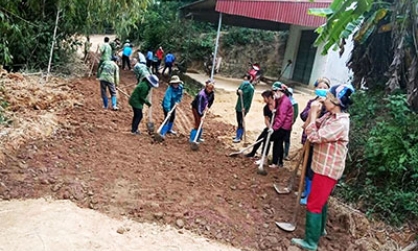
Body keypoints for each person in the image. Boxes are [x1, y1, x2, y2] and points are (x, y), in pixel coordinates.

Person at [290, 84, 354, 251]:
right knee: (321, 200)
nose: (324, 100)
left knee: (314, 203)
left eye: (327, 98)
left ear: (335, 101)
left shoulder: (340, 123)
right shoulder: (330, 117)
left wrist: (312, 113)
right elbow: (312, 126)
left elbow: (314, 136)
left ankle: (311, 242)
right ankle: (320, 230)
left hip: (328, 170)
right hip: (322, 167)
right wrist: (315, 115)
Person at [299, 77, 330, 205]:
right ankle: (305, 189)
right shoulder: (312, 101)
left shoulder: (329, 105)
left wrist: (321, 108)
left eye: (325, 87)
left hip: (317, 140)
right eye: (320, 87)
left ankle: (310, 194)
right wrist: (313, 109)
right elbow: (303, 115)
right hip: (307, 137)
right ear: (315, 89)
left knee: (312, 166)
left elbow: (325, 121)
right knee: (305, 165)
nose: (322, 90)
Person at [269, 81, 293, 168]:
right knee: (279, 143)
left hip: (283, 127)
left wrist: (274, 128)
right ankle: (279, 162)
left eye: (274, 92)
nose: (274, 94)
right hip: (283, 126)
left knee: (276, 143)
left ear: (279, 91)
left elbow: (281, 117)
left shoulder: (284, 102)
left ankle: (275, 162)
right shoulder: (281, 99)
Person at [245, 90, 275, 158]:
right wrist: (270, 128)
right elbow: (266, 119)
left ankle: (265, 157)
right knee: (260, 138)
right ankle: (253, 152)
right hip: (270, 127)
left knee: (267, 140)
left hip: (277, 127)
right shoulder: (266, 108)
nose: (264, 100)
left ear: (269, 97)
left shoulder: (278, 105)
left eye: (265, 98)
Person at [233, 75, 255, 143]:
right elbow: (237, 91)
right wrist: (238, 91)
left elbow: (249, 100)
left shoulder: (251, 89)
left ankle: (239, 137)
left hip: (243, 108)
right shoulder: (242, 84)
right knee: (238, 121)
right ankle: (238, 134)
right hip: (239, 106)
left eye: (246, 79)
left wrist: (245, 108)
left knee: (241, 122)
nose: (245, 80)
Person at [284, 87, 299, 160]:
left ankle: (285, 153)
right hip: (281, 123)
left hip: (288, 124)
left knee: (286, 139)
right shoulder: (283, 101)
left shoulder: (294, 103)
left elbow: (295, 115)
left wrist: (291, 123)